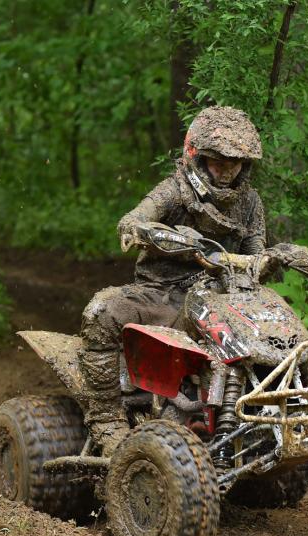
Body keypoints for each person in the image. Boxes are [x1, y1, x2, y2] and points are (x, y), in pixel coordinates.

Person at [78, 106, 268, 454]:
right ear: (197, 157)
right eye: (218, 161)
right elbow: (134, 218)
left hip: (221, 298)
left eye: (236, 162)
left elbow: (257, 252)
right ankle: (106, 418)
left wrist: (267, 261)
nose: (227, 171)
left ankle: (268, 419)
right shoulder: (174, 191)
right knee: (101, 312)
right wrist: (142, 230)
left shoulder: (250, 202)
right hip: (159, 293)